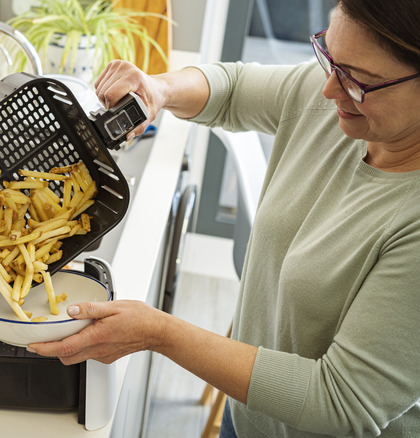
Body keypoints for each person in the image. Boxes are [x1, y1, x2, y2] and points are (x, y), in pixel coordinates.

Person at [27, 0, 420, 436]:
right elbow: (231, 87)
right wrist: (159, 89)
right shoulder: (340, 98)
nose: (328, 89)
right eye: (328, 55)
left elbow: (342, 400)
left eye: (358, 80)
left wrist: (160, 333)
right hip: (249, 415)